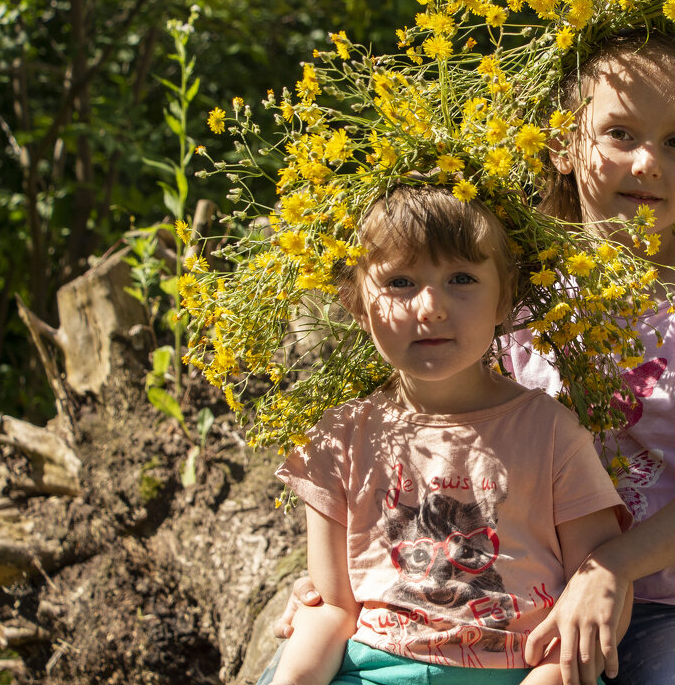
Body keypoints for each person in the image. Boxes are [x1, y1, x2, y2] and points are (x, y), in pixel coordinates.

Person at [274, 32, 675, 685]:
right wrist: (353, 580)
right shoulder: (514, 288)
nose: (647, 163)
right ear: (562, 145)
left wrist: (610, 566)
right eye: (619, 133)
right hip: (523, 601)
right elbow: (441, 428)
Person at [265, 185, 630, 685]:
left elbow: (600, 597)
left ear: (506, 296)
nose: (431, 306)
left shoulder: (551, 434)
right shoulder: (337, 439)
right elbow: (330, 610)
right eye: (400, 281)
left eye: (461, 278)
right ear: (355, 302)